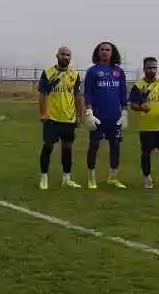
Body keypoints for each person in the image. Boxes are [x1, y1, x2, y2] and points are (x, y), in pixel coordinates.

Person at [82, 41, 129, 189]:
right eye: (102, 49)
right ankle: (91, 178)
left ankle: (113, 178)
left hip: (114, 116)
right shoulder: (92, 71)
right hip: (97, 116)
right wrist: (88, 111)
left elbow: (122, 93)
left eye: (107, 50)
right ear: (98, 52)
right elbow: (88, 92)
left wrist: (125, 112)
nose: (104, 52)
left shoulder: (119, 72)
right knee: (94, 145)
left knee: (115, 146)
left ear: (112, 52)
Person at [37, 45, 83, 190]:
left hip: (69, 118)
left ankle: (67, 178)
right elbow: (42, 94)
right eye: (63, 54)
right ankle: (44, 178)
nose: (66, 57)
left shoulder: (74, 75)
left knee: (67, 148)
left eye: (68, 55)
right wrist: (43, 113)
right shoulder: (48, 73)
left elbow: (77, 96)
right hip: (52, 118)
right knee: (48, 146)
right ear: (57, 56)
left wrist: (79, 116)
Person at [128, 56, 159, 189]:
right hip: (146, 127)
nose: (152, 70)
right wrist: (141, 107)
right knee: (146, 153)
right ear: (144, 69)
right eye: (149, 68)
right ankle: (147, 179)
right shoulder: (138, 86)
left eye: (154, 67)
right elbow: (132, 104)